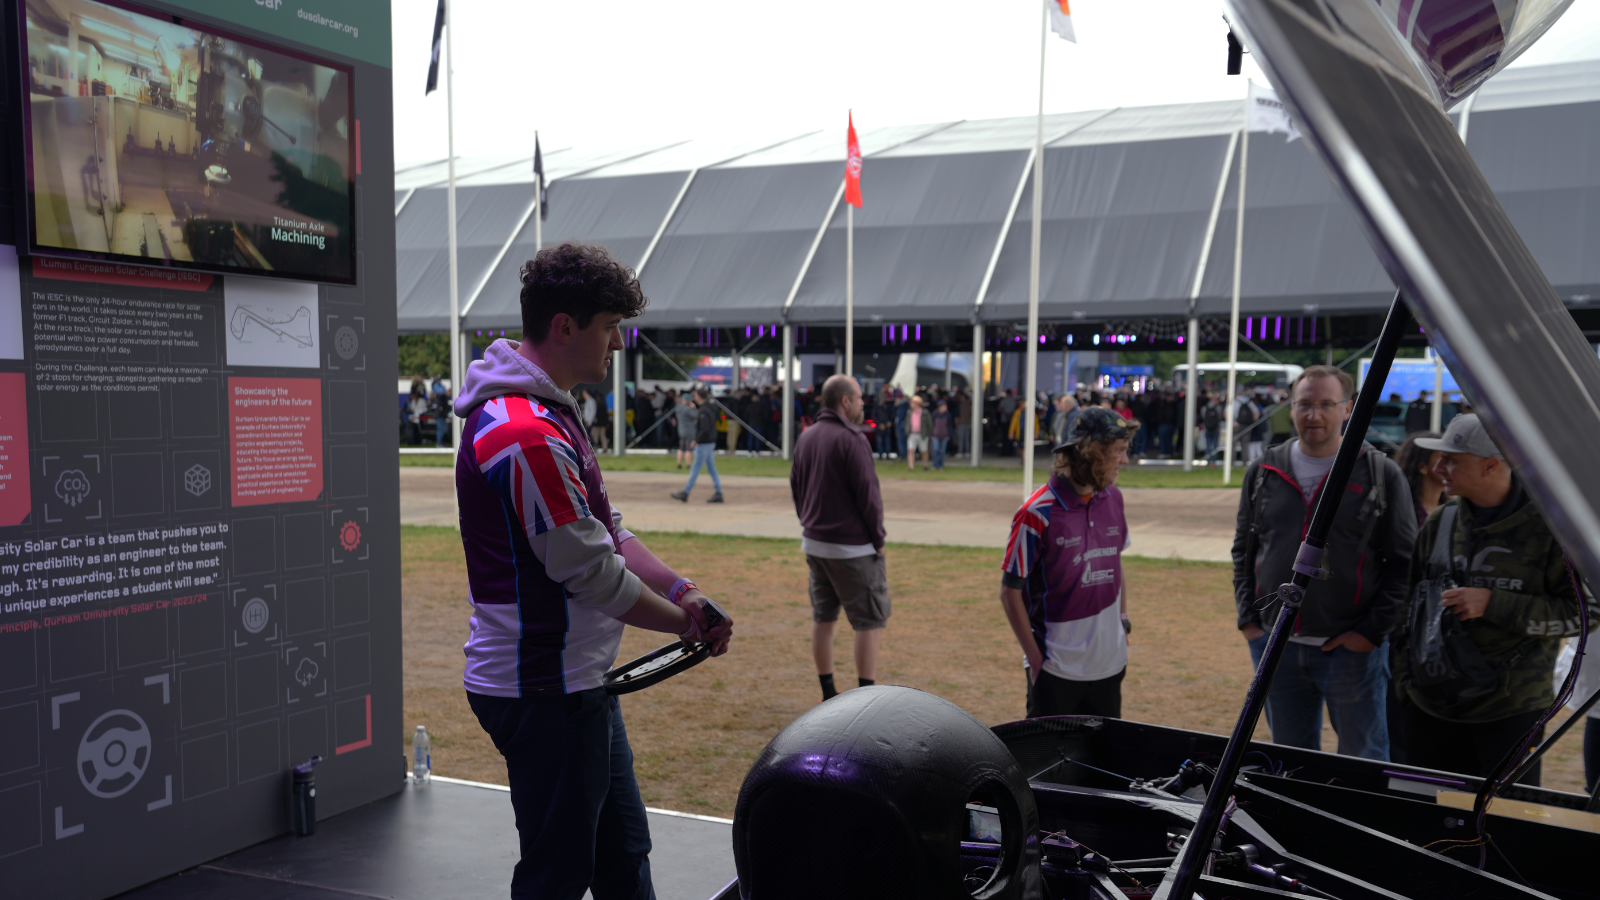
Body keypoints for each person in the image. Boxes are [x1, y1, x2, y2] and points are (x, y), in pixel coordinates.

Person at [453, 242, 733, 900]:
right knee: (559, 876)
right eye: (609, 328)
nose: (615, 345)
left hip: (572, 685)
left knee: (623, 856)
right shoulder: (524, 432)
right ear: (565, 327)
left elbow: (608, 535)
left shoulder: (546, 412)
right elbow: (595, 577)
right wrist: (684, 626)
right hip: (543, 690)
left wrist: (682, 592)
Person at [1391, 414, 1598, 782]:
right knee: (1427, 817)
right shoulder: (1442, 519)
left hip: (1510, 710)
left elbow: (1586, 613)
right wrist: (1407, 683)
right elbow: (1411, 606)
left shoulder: (1554, 529)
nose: (1439, 467)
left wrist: (1494, 603)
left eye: (1453, 459)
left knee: (1504, 823)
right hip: (1430, 705)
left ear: (1491, 464)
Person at [1232, 365, 1416, 760]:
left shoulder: (1379, 473)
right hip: (1274, 646)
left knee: (1362, 759)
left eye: (1326, 405)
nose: (1313, 415)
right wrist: (1250, 620)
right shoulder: (1264, 470)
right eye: (1304, 404)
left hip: (1351, 651)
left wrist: (1369, 634)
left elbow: (1404, 563)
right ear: (1291, 406)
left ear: (1348, 408)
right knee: (1290, 761)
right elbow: (1244, 550)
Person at [1000, 408, 1138, 717]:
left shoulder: (1113, 498)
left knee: (1101, 763)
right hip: (1056, 671)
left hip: (1109, 666)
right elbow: (1009, 591)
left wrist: (1123, 620)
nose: (1124, 461)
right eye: (1118, 452)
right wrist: (1035, 659)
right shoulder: (1036, 513)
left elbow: (1115, 561)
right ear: (1091, 453)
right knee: (1051, 764)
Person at [790, 374, 889, 702]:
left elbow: (796, 485)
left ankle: (828, 692)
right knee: (869, 622)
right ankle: (866, 697)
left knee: (824, 619)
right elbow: (869, 497)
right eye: (859, 397)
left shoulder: (807, 436)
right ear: (845, 401)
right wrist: (879, 540)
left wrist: (808, 521)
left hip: (815, 543)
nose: (863, 403)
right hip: (853, 548)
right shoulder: (852, 439)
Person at [672, 390, 724, 503]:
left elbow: (704, 428)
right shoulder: (709, 408)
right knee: (711, 468)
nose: (694, 397)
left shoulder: (704, 410)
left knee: (695, 468)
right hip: (710, 442)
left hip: (704, 443)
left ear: (699, 397)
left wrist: (697, 440)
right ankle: (718, 492)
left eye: (695, 396)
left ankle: (686, 492)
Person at [1394, 433, 1447, 529]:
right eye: (1443, 458)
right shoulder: (1401, 512)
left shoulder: (1454, 510)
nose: (1451, 466)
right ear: (1423, 466)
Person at [906, 395, 931, 471]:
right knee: (911, 450)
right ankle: (911, 467)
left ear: (916, 403)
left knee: (924, 451)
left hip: (922, 434)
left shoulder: (925, 413)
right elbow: (907, 423)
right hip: (912, 434)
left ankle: (925, 466)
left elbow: (929, 424)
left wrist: (926, 433)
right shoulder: (910, 412)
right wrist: (907, 430)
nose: (911, 404)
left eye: (912, 402)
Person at [673, 390, 696, 469]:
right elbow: (696, 416)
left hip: (681, 431)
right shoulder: (688, 409)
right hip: (689, 431)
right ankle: (688, 465)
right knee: (689, 449)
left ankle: (679, 464)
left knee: (681, 448)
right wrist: (693, 408)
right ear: (687, 401)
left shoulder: (678, 407)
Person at [931, 399, 952, 471]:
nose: (945, 407)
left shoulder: (948, 415)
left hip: (944, 436)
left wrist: (948, 435)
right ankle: (934, 465)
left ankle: (941, 466)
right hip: (935, 436)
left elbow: (950, 426)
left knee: (942, 451)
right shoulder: (934, 414)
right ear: (940, 407)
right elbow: (931, 425)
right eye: (944, 406)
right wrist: (931, 435)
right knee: (936, 450)